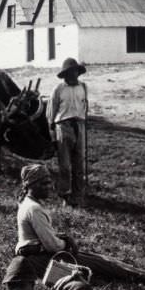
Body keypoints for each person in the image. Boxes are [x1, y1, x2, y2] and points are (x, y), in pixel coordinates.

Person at [16, 163, 145, 283]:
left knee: (101, 259)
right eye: (43, 183)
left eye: (48, 182)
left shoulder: (28, 204)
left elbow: (42, 239)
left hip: (39, 257)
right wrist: (67, 243)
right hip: (41, 261)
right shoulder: (34, 209)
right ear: (30, 185)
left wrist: (64, 239)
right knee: (103, 265)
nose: (48, 187)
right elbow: (52, 246)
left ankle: (143, 273)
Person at [48, 57, 88, 207]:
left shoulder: (83, 87)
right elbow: (51, 114)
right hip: (63, 127)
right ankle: (65, 194)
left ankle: (78, 194)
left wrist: (83, 123)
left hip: (80, 125)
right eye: (70, 72)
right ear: (65, 74)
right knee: (65, 165)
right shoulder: (58, 90)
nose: (74, 75)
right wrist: (52, 133)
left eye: (76, 72)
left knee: (79, 163)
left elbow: (84, 107)